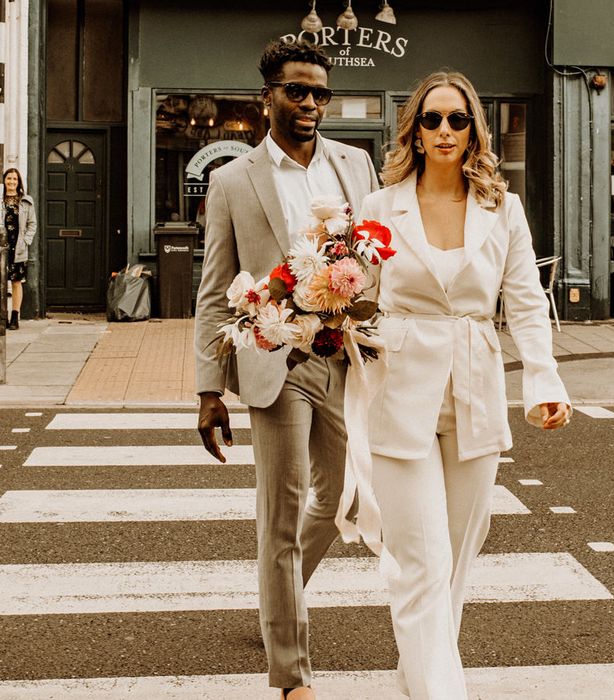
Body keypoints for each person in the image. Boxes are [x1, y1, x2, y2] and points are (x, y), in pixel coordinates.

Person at [343, 71, 571, 699]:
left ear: (474, 130)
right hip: (400, 386)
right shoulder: (378, 207)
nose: (445, 130)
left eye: (458, 119)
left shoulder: (503, 207)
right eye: (432, 119)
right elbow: (356, 295)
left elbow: (525, 301)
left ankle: (419, 680)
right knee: (422, 563)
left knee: (455, 565)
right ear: (414, 130)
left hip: (476, 384)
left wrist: (544, 382)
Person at [193, 40, 378, 699]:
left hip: (346, 356)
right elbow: (215, 290)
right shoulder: (234, 180)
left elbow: (380, 257)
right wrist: (208, 386)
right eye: (297, 92)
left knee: (344, 500)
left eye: (320, 94)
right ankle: (292, 675)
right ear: (267, 97)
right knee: (283, 512)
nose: (310, 105)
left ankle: (281, 595)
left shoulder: (355, 166)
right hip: (277, 359)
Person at [0, 168, 38, 330]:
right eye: (9, 179)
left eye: (15, 179)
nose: (12, 182)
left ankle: (15, 317)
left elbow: (32, 224)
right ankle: (1, 316)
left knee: (16, 282)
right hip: (1, 248)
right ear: (4, 181)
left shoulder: (26, 201)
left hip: (18, 248)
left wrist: (26, 241)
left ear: (18, 182)